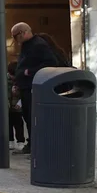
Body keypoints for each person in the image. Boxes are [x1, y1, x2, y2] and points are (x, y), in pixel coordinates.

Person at [11, 22, 62, 155]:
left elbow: (51, 62)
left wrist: (29, 72)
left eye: (15, 36)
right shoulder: (27, 45)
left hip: (32, 87)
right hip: (25, 86)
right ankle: (32, 144)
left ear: (22, 33)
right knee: (28, 117)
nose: (15, 40)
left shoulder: (38, 45)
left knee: (33, 117)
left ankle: (37, 146)